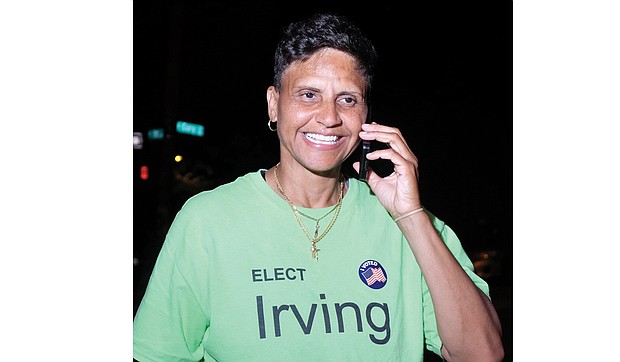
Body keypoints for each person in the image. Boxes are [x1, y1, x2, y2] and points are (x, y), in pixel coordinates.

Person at [133, 12, 504, 361]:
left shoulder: (411, 225)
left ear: (366, 116)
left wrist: (410, 215)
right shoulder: (207, 221)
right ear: (274, 104)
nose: (329, 117)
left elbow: (482, 353)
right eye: (308, 94)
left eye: (347, 99)